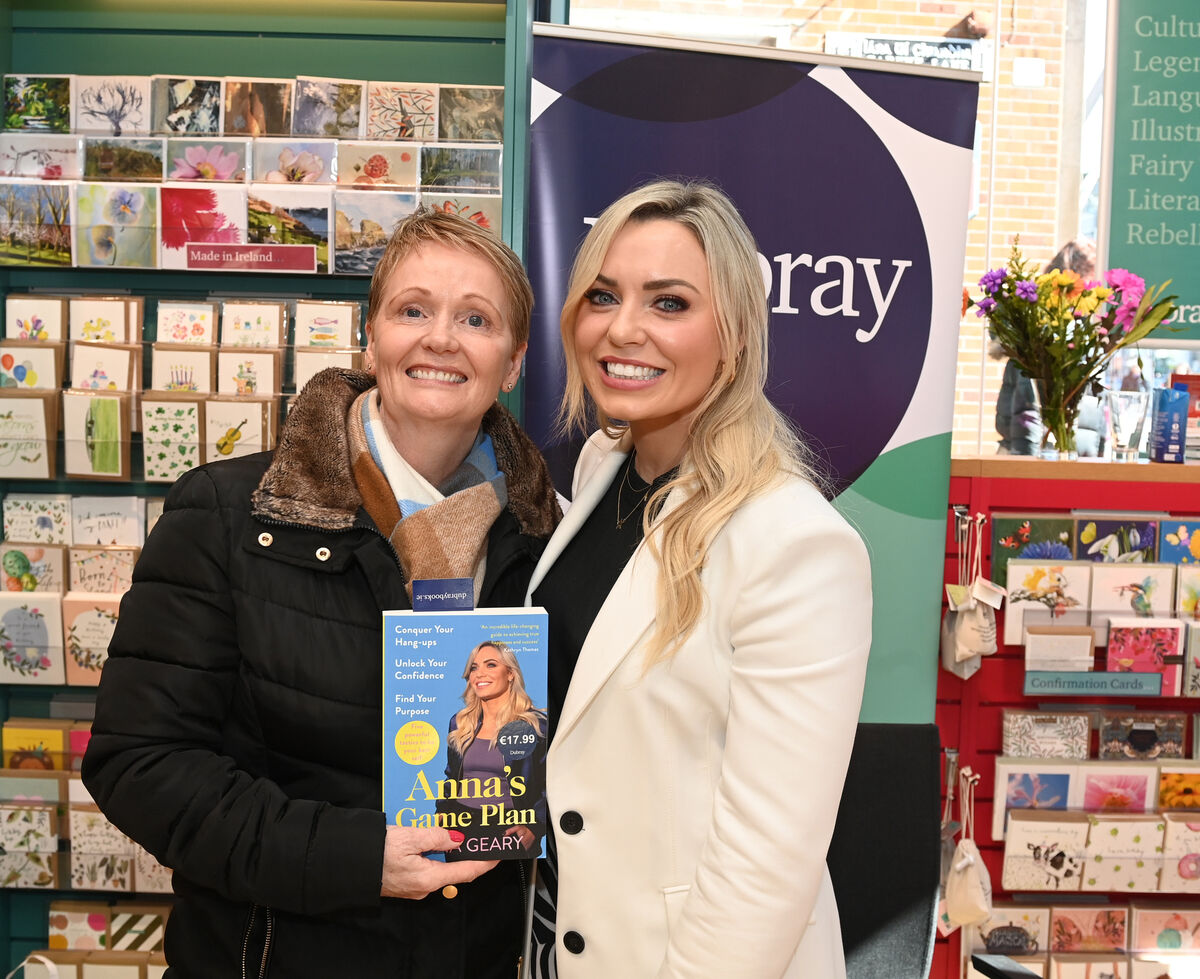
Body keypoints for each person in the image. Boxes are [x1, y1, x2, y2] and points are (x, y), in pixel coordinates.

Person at [81, 209, 561, 978]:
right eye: (413, 310)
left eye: (477, 317)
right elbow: (138, 764)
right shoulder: (229, 515)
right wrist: (357, 857)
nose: (442, 338)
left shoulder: (547, 541)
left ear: (512, 361)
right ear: (371, 338)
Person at [524, 180, 873, 977]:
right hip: (562, 934)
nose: (623, 329)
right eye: (603, 296)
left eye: (669, 303)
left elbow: (766, 863)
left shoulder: (798, 547)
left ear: (737, 333)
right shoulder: (605, 465)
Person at [440, 640, 547, 860]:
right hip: (461, 825)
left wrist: (536, 827)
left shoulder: (534, 724)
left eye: (490, 665)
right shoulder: (460, 723)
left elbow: (549, 783)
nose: (479, 674)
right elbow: (451, 776)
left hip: (506, 828)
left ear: (510, 673)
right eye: (474, 667)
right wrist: (442, 814)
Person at [993, 238, 1098, 455]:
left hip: (1068, 453)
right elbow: (1028, 410)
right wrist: (1027, 462)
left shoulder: (1082, 324)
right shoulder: (1040, 331)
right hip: (1046, 454)